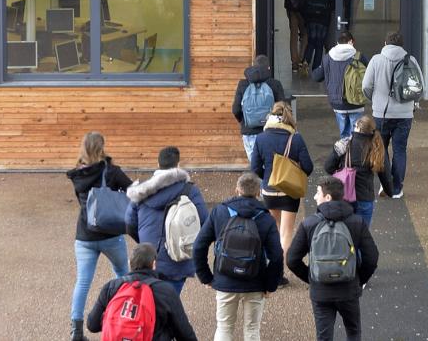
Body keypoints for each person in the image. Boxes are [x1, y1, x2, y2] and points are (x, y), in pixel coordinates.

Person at [193, 172, 283, 341]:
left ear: (237, 190)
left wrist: (206, 278)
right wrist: (270, 285)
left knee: (224, 328)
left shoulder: (219, 211)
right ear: (258, 193)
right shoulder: (266, 218)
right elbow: (277, 256)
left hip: (225, 280)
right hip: (255, 283)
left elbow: (199, 246)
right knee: (252, 329)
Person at [286, 176, 379, 341]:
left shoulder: (309, 224)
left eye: (317, 193)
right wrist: (358, 279)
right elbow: (372, 257)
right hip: (349, 289)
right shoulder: (356, 222)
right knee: (353, 332)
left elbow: (292, 259)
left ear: (327, 198)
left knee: (324, 337)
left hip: (321, 291)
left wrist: (311, 277)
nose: (314, 197)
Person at [66, 131, 133, 341]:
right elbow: (131, 189)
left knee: (83, 282)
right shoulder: (111, 171)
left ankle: (76, 332)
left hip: (85, 236)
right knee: (123, 274)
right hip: (110, 234)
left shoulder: (78, 174)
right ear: (101, 146)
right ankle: (124, 321)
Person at [125, 146, 209, 295]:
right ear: (178, 165)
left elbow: (129, 223)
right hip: (178, 257)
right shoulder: (189, 190)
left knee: (149, 301)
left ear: (158, 165)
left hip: (148, 259)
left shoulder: (141, 191)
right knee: (169, 302)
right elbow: (204, 221)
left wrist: (145, 242)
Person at [251, 101, 313, 286]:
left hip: (268, 191)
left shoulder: (261, 138)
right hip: (289, 192)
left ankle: (268, 269)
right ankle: (278, 274)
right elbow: (308, 167)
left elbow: (255, 167)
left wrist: (269, 178)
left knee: (271, 230)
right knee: (285, 233)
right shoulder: (296, 138)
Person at [87, 243, 198, 341]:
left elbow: (92, 325)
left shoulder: (111, 287)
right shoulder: (165, 291)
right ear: (154, 264)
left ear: (130, 263)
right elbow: (184, 332)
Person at [362, 32, 422, 199]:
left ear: (385, 42)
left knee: (381, 149)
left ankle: (386, 184)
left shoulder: (376, 60)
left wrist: (374, 100)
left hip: (382, 113)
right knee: (400, 150)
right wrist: (411, 103)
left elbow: (366, 85)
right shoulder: (411, 60)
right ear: (401, 45)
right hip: (405, 114)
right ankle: (397, 188)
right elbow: (419, 87)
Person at [324, 115, 393, 226]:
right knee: (362, 235)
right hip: (365, 198)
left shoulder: (345, 144)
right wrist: (390, 191)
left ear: (357, 127)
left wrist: (339, 162)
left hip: (344, 197)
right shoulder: (377, 147)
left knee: (345, 233)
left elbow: (328, 167)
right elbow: (385, 174)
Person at [312, 31, 368, 139]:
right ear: (351, 41)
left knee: (344, 136)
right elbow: (370, 75)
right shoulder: (359, 57)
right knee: (357, 136)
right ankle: (354, 154)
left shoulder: (328, 57)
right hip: (356, 102)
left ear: (338, 42)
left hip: (337, 103)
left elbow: (317, 77)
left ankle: (345, 154)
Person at [232, 55, 286, 162]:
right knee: (270, 167)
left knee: (256, 168)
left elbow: (235, 110)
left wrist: (244, 121)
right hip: (270, 131)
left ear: (253, 67)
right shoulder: (275, 84)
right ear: (268, 68)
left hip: (249, 132)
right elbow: (282, 109)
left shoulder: (243, 84)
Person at [275, 0, 315, 72]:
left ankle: (294, 64)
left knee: (293, 34)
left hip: (291, 8)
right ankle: (302, 60)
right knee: (305, 34)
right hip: (303, 10)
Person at [301, 0, 334, 71]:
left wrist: (305, 15)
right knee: (319, 44)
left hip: (311, 18)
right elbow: (332, 4)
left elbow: (302, 1)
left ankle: (305, 62)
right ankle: (316, 68)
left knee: (311, 41)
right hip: (323, 19)